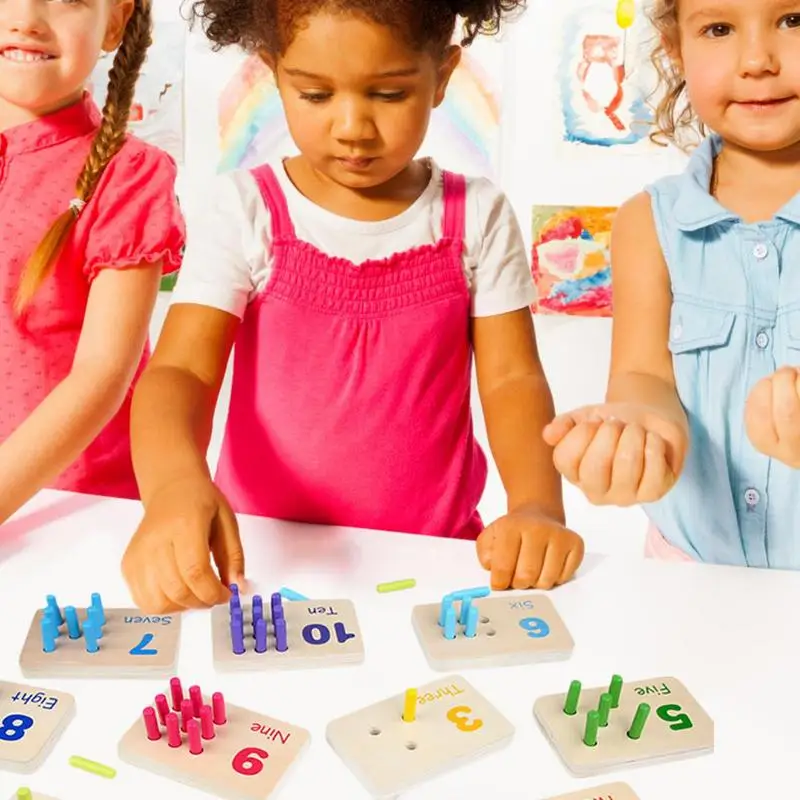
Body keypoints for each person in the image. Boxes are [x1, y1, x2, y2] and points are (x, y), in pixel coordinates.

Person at [122, 0, 585, 612]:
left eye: (389, 94)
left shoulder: (476, 214)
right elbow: (182, 371)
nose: (352, 128)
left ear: (443, 76)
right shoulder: (246, 209)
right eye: (315, 95)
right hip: (261, 557)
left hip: (433, 559)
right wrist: (173, 485)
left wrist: (535, 506)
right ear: (272, 73)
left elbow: (512, 380)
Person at [544, 0, 800, 566]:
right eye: (718, 28)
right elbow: (642, 374)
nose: (757, 60)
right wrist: (641, 432)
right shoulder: (646, 222)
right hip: (686, 571)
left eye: (793, 20)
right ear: (675, 48)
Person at [0, 0, 185, 523]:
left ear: (115, 22)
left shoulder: (129, 176)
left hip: (76, 512)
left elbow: (101, 377)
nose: (26, 17)